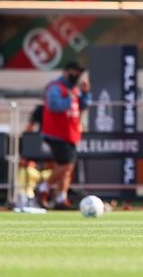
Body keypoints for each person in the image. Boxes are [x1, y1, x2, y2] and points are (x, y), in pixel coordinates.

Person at [37, 61, 91, 210]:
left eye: (79, 73)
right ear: (66, 72)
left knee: (69, 167)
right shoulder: (55, 87)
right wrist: (70, 96)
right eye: (74, 72)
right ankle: (43, 188)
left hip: (71, 133)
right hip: (56, 133)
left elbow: (84, 105)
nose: (77, 76)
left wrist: (85, 93)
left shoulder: (73, 88)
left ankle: (61, 198)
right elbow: (55, 106)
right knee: (65, 164)